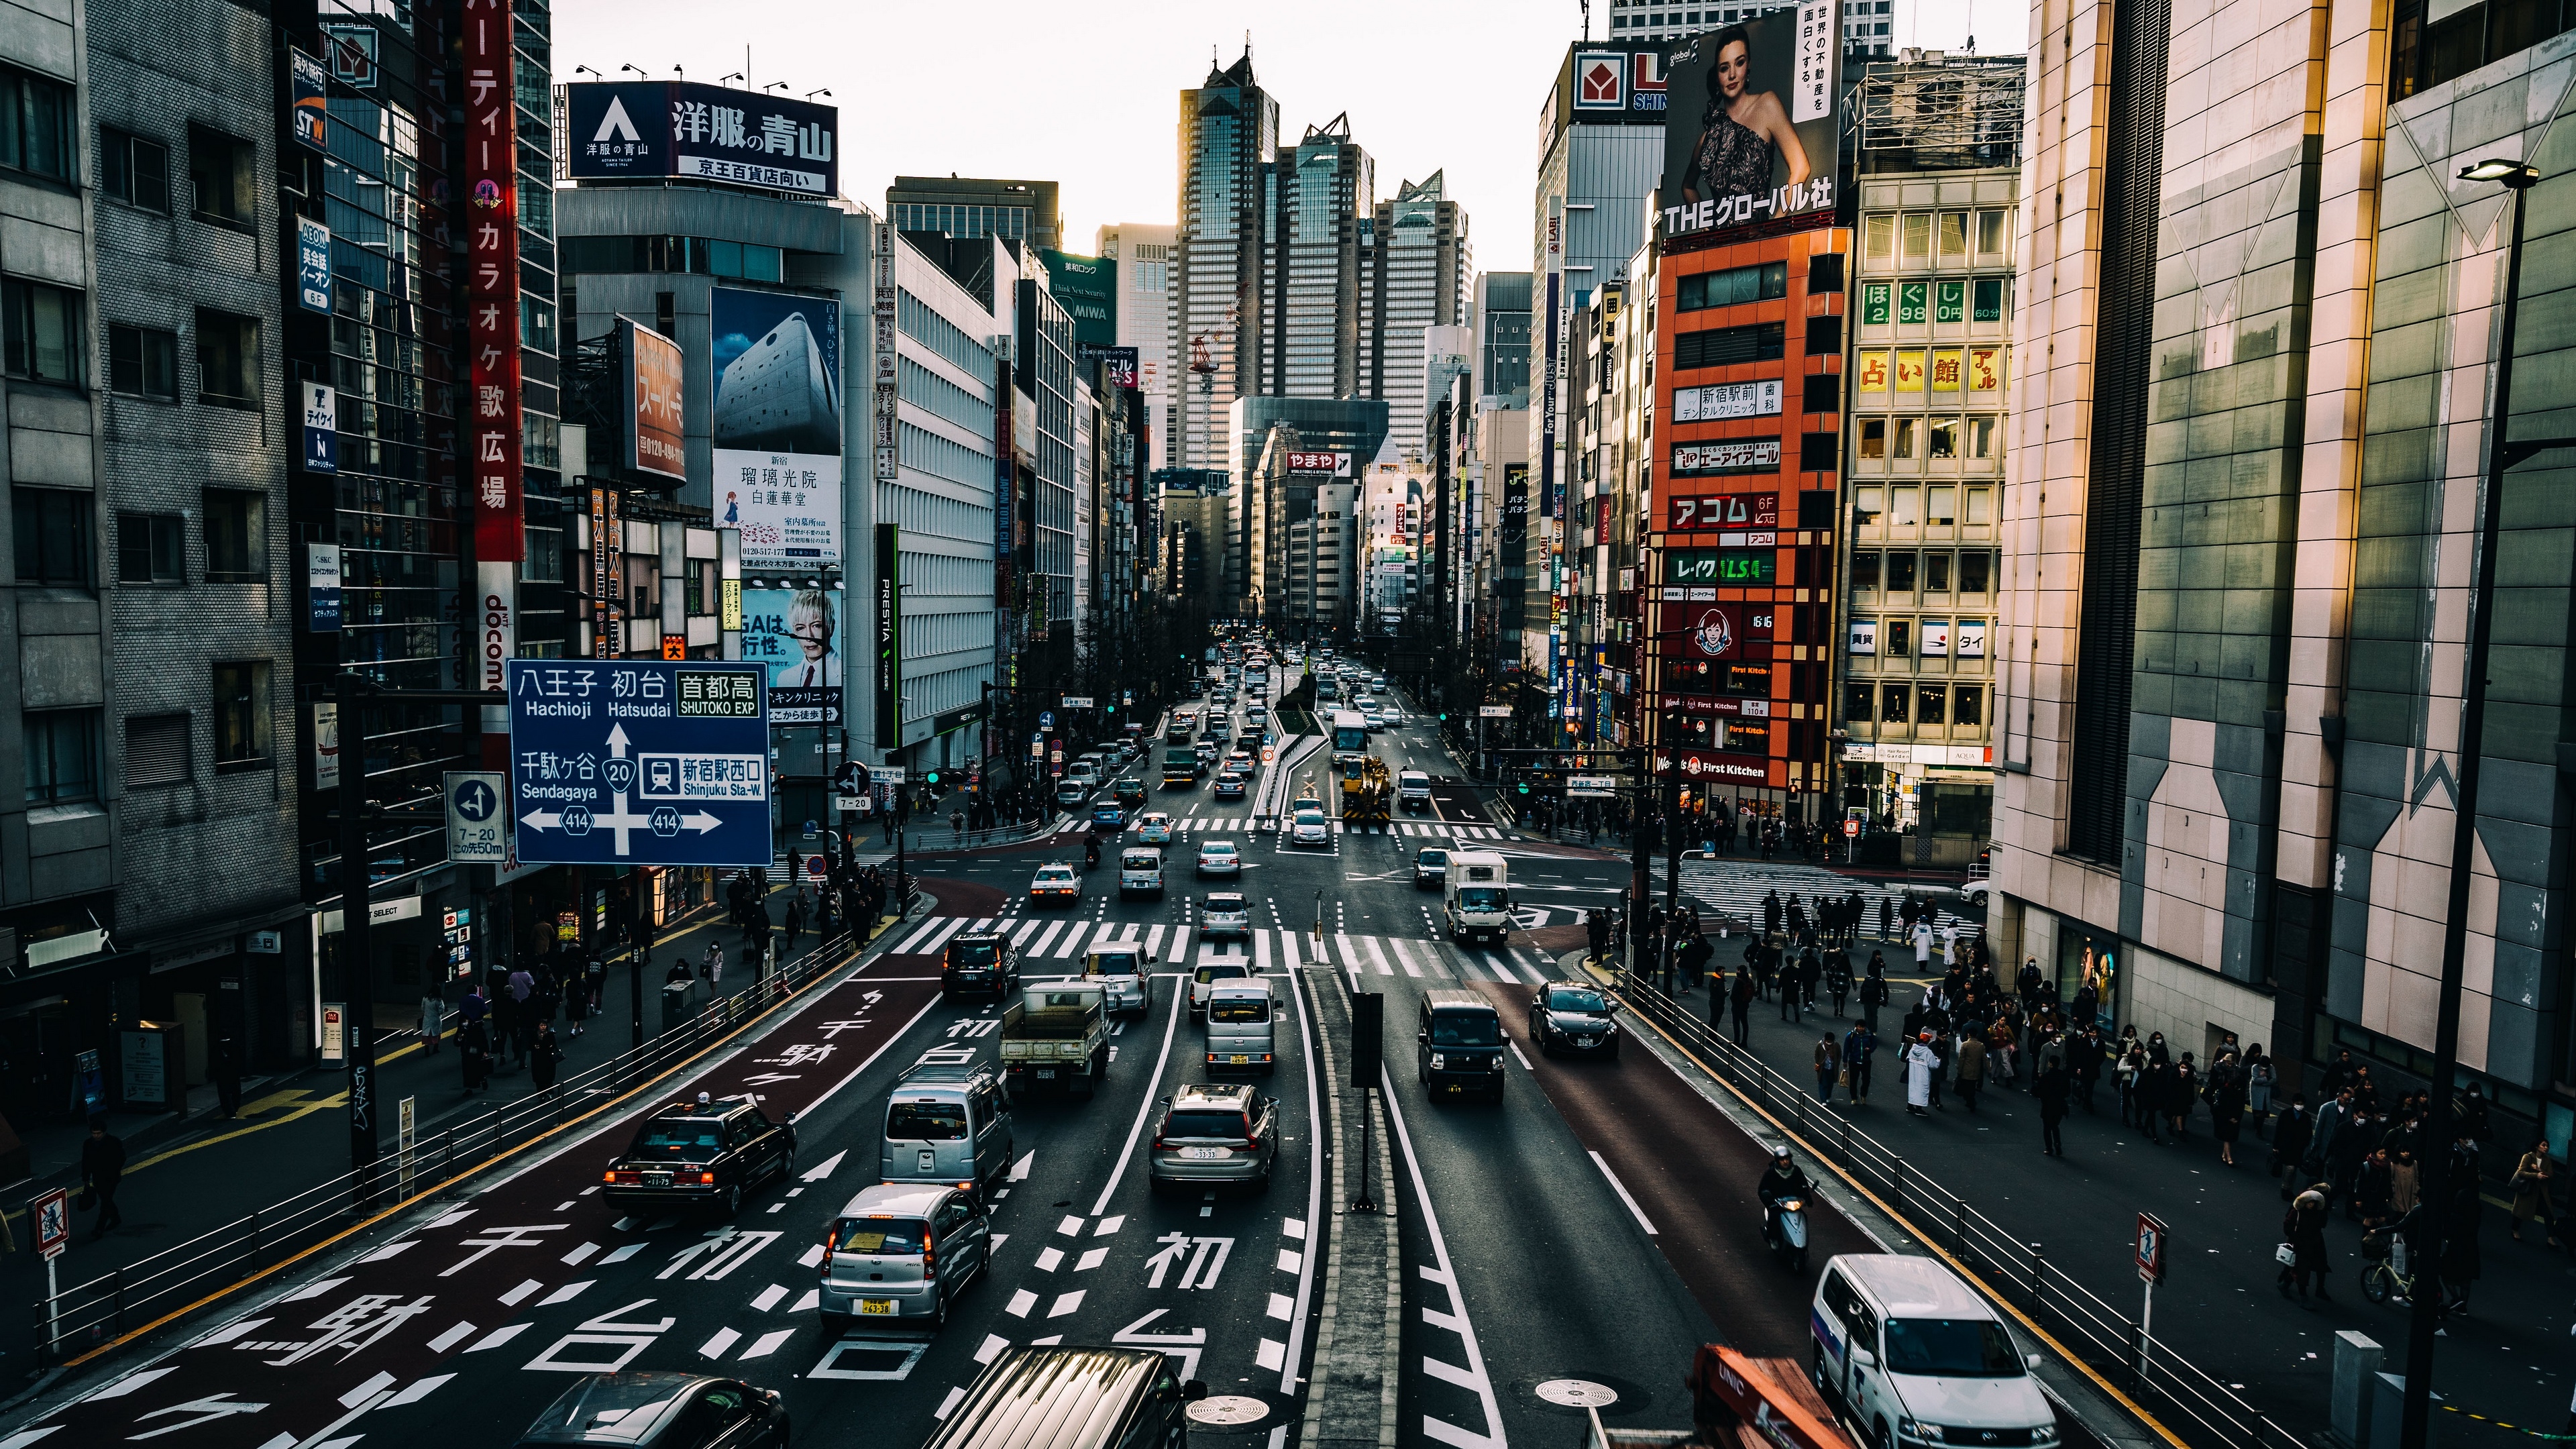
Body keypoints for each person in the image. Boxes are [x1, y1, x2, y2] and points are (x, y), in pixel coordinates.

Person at [2281, 1183, 2332, 1299]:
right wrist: (2296, 1239)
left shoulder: (2318, 1211)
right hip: (2302, 1243)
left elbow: (2322, 1224)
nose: (2311, 1204)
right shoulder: (2297, 1212)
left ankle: (2285, 1283)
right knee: (2303, 1269)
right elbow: (2288, 1226)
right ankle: (2303, 1295)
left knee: (2317, 1265)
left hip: (2314, 1242)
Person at [2511, 1138, 2563, 1247]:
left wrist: (2539, 1170)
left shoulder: (2547, 1160)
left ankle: (2550, 1239)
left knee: (2548, 1214)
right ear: (2537, 1146)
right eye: (2543, 1145)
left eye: (2547, 1146)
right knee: (2521, 1212)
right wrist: (2536, 1175)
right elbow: (2521, 1172)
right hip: (2528, 1189)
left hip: (2541, 1192)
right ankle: (2515, 1230)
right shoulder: (2528, 1157)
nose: (2546, 1148)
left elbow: (2551, 1175)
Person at [80, 1122, 126, 1238]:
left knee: (106, 1201)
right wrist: (86, 1178)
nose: (96, 1136)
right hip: (98, 1178)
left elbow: (122, 1158)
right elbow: (85, 1161)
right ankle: (116, 1218)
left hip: (112, 1177)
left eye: (98, 1133)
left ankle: (99, 1228)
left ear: (104, 1132)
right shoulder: (88, 1144)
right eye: (94, 1133)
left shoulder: (113, 1142)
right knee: (107, 1200)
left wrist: (114, 1169)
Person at [2035, 1053, 2071, 1156]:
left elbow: (2039, 1092)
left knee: (2047, 1127)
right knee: (2055, 1126)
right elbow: (2068, 1092)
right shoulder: (2064, 1076)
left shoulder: (2046, 1077)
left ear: (2050, 1064)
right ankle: (2058, 1143)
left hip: (2048, 1105)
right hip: (2060, 1104)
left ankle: (2049, 1148)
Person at [1904, 1032, 1939, 1117]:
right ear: (1927, 1041)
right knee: (1922, 1091)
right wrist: (1938, 1061)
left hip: (1913, 1073)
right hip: (1923, 1074)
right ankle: (1919, 1109)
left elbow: (1908, 1058)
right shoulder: (1928, 1052)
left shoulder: (1913, 1049)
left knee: (1913, 1089)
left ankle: (1910, 1106)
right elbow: (1933, 1065)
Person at [1953, 1030, 1986, 1114]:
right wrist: (1989, 1069)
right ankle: (1971, 1101)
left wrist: (1959, 1071)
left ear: (1968, 1035)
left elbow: (1961, 1059)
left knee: (1966, 1087)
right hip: (1976, 1070)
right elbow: (1984, 1058)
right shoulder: (1981, 1046)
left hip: (1966, 1070)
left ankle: (1970, 1102)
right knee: (1972, 1087)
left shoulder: (1965, 1045)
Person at [529, 1020, 564, 1095]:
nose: (543, 1027)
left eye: (544, 1025)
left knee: (548, 1077)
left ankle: (549, 1092)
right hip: (538, 1060)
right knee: (539, 1077)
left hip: (548, 1059)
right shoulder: (534, 1035)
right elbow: (530, 1045)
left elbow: (554, 1045)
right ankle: (541, 1094)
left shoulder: (550, 1035)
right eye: (541, 1025)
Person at [460, 1012, 491, 1093]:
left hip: (476, 1051)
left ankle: (481, 1079)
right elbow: (458, 1041)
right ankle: (469, 1087)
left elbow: (483, 1040)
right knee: (467, 1070)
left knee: (477, 1067)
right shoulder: (463, 1029)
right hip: (467, 1052)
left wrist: (485, 1051)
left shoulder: (477, 1029)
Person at [1729, 966, 1756, 1046]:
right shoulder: (1749, 980)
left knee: (1736, 1023)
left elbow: (1734, 994)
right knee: (1745, 1023)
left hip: (1737, 1005)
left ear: (1739, 971)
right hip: (1745, 1004)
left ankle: (1736, 1041)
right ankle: (1744, 1042)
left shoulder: (1738, 981)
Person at [1813, 1033, 1841, 1104]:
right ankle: (1823, 1100)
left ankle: (1828, 1096)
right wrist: (1818, 1063)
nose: (1829, 1043)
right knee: (1823, 1084)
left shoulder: (1836, 1046)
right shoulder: (1820, 1045)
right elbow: (1816, 1054)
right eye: (1828, 1041)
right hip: (1823, 1068)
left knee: (1830, 1084)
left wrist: (1837, 1064)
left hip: (1832, 1068)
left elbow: (1839, 1055)